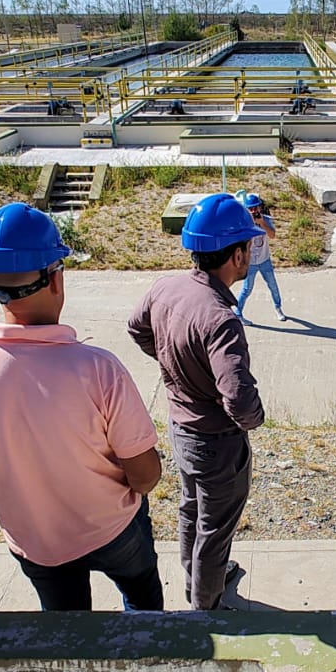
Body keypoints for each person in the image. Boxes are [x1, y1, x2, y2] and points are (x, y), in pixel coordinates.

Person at [0, 204, 165, 611]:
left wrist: (22, 499)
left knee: (66, 628)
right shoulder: (98, 368)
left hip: (35, 540)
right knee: (143, 598)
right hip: (113, 529)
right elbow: (145, 475)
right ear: (56, 278)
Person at [127, 192, 265, 610]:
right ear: (237, 254)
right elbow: (240, 402)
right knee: (215, 526)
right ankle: (205, 609)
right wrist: (255, 416)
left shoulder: (167, 287)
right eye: (249, 246)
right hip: (216, 442)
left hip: (181, 427)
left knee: (192, 509)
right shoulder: (221, 318)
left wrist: (174, 365)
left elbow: (137, 328)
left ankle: (198, 580)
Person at [234, 192, 284, 324]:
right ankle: (238, 313)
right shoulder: (245, 223)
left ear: (260, 208)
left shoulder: (266, 219)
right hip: (250, 262)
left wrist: (262, 223)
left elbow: (272, 235)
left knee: (273, 285)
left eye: (256, 208)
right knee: (247, 289)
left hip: (264, 260)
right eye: (251, 208)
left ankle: (278, 308)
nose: (254, 211)